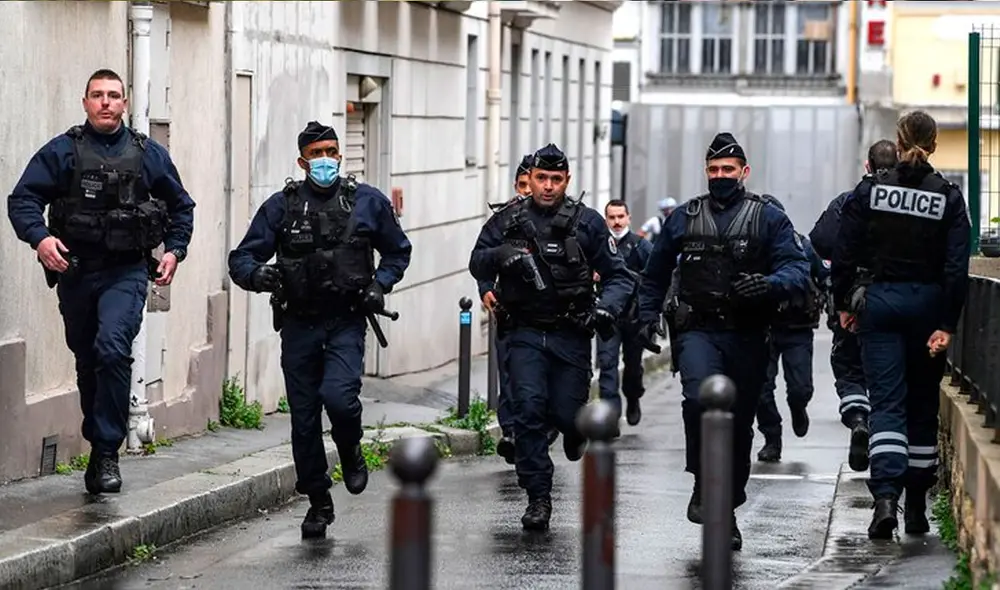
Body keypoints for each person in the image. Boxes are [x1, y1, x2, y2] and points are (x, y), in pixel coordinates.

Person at [7, 68, 196, 495]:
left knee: (112, 348)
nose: (106, 102)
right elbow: (23, 199)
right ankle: (99, 442)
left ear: (125, 103)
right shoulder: (64, 152)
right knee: (88, 359)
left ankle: (107, 450)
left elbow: (181, 207)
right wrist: (40, 239)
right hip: (75, 271)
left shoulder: (148, 155)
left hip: (126, 271)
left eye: (114, 95)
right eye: (98, 95)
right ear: (85, 102)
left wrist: (174, 251)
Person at [227, 121, 412, 539]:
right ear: (302, 160)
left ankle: (350, 449)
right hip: (300, 324)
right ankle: (317, 500)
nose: (325, 159)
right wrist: (261, 276)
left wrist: (379, 286)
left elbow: (398, 250)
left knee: (340, 400)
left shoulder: (365, 202)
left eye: (331, 151)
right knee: (305, 419)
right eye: (316, 153)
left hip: (346, 320)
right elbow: (241, 259)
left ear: (340, 156)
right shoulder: (282, 206)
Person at [635, 132, 811, 550]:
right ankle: (701, 482)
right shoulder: (684, 216)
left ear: (744, 172)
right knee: (699, 401)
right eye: (713, 170)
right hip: (697, 330)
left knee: (738, 424)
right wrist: (645, 316)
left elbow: (797, 269)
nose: (720, 176)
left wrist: (768, 284)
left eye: (728, 170)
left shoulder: (768, 218)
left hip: (748, 335)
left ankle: (728, 505)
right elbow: (656, 273)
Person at [468, 143, 634, 530]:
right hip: (524, 331)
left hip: (570, 333)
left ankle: (575, 431)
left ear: (567, 181)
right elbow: (477, 260)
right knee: (527, 411)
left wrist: (606, 309)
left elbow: (619, 276)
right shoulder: (508, 220)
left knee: (566, 414)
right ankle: (538, 496)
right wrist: (500, 256)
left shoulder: (587, 222)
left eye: (555, 180)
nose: (546, 186)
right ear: (531, 179)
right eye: (541, 178)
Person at [832, 111, 970, 540]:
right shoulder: (947, 196)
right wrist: (946, 323)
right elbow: (956, 268)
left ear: (898, 139)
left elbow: (844, 250)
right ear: (933, 145)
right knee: (921, 406)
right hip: (927, 307)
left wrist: (842, 304)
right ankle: (915, 510)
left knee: (887, 403)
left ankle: (885, 500)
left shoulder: (871, 191)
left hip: (881, 304)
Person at [810, 139, 898, 471]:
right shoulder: (908, 201)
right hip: (896, 296)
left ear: (867, 166)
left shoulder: (849, 201)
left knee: (849, 366)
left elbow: (820, 241)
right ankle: (883, 446)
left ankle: (858, 418)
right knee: (888, 372)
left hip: (852, 300)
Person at [754, 196, 827, 463]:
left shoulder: (802, 246)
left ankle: (798, 408)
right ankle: (772, 438)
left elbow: (822, 276)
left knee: (800, 388)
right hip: (762, 327)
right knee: (761, 389)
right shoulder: (752, 248)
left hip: (797, 327)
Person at [480, 154, 533, 464]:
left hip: (550, 315)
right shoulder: (504, 219)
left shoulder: (563, 216)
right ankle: (511, 432)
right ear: (516, 185)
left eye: (533, 183)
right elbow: (484, 256)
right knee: (509, 372)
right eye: (522, 185)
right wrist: (485, 288)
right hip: (511, 308)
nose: (528, 191)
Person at [596, 199, 653, 428]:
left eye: (620, 216)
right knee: (607, 364)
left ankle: (633, 397)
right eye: (612, 217)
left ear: (628, 217)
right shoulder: (599, 247)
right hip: (607, 316)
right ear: (606, 219)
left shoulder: (641, 246)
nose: (617, 222)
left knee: (632, 366)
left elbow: (655, 277)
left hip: (635, 317)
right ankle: (610, 417)